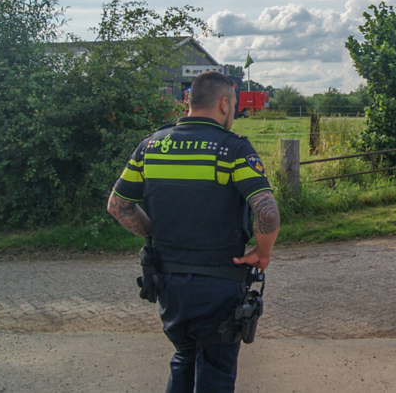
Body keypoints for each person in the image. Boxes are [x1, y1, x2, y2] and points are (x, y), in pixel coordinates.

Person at [107, 70, 280, 393]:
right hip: (219, 283)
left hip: (167, 283)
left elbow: (118, 206)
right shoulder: (233, 149)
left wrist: (154, 235)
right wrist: (262, 253)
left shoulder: (150, 146)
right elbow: (267, 212)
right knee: (215, 370)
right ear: (225, 104)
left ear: (189, 101)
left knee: (183, 357)